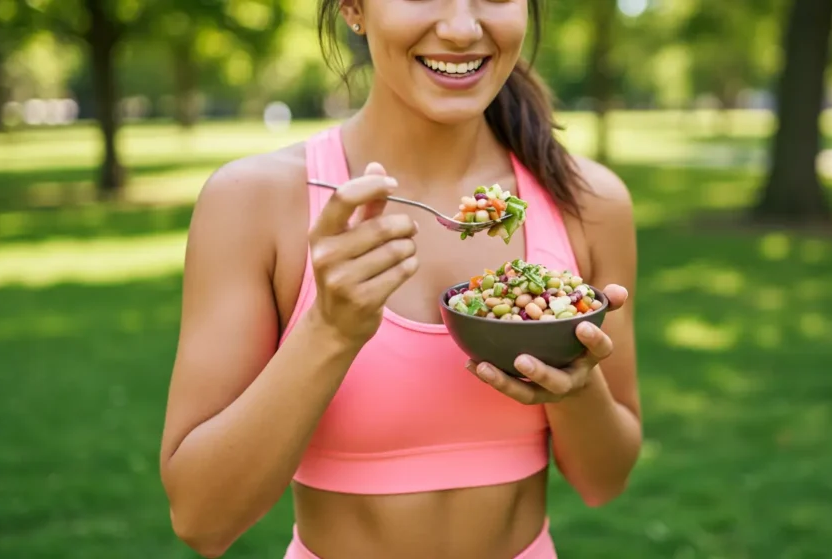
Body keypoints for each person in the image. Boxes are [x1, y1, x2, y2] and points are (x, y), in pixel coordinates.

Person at [158, 1, 642, 557]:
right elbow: (200, 518)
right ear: (353, 8)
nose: (462, 28)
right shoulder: (252, 202)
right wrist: (329, 330)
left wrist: (578, 387)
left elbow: (606, 481)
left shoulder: (588, 201)